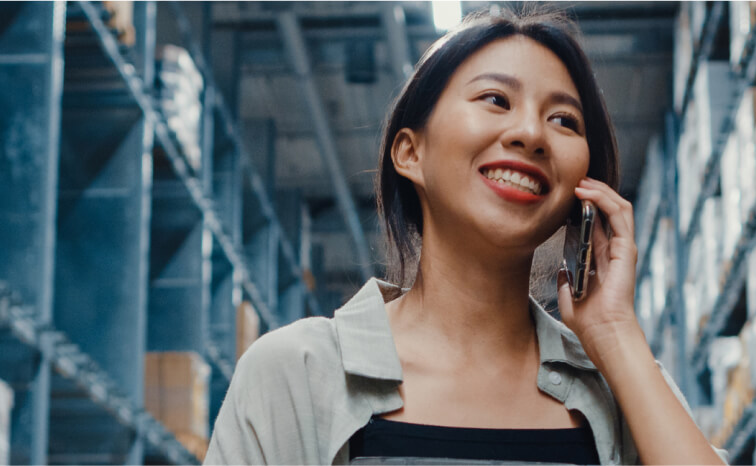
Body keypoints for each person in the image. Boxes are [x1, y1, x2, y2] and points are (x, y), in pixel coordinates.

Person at [206, 7, 727, 465]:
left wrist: (614, 333)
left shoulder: (622, 385)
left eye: (564, 120)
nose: (531, 133)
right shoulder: (297, 374)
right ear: (410, 153)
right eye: (496, 99)